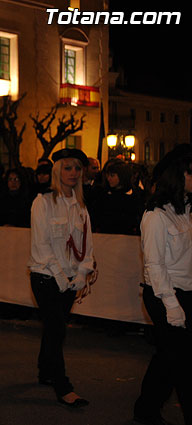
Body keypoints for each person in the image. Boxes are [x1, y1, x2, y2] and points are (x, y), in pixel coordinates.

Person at [28, 148, 94, 408]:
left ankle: (45, 371)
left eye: (77, 168)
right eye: (67, 168)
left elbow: (88, 244)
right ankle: (63, 386)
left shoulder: (81, 206)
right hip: (45, 277)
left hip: (70, 279)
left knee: (54, 328)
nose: (73, 173)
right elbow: (41, 245)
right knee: (57, 330)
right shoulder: (42, 202)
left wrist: (81, 273)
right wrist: (60, 277)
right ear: (57, 171)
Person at [133, 153, 192, 425]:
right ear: (177, 177)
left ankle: (145, 409)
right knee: (180, 360)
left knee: (169, 357)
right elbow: (154, 266)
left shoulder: (188, 209)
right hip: (164, 293)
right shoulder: (155, 216)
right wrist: (172, 306)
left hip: (187, 291)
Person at [91, 159, 144, 235]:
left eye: (112, 176)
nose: (108, 178)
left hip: (127, 238)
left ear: (122, 176)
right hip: (105, 237)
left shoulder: (135, 194)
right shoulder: (102, 193)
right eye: (107, 175)